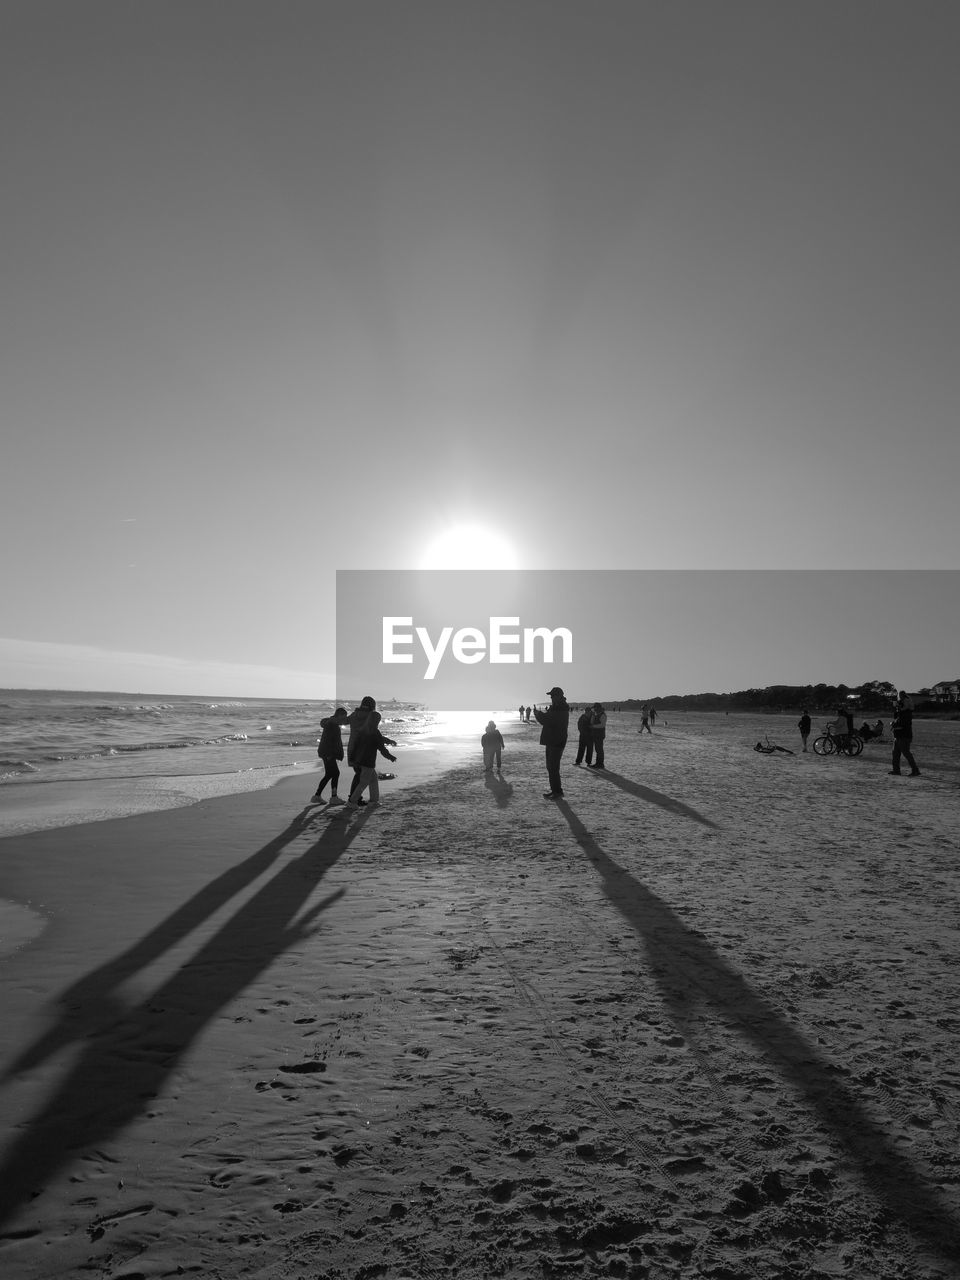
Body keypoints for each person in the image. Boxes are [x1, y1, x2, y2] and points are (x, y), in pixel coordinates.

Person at [346, 712, 397, 808]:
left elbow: (355, 745)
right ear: (377, 721)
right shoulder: (375, 732)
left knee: (373, 779)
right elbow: (381, 747)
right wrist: (390, 757)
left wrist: (353, 758)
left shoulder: (362, 730)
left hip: (360, 760)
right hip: (368, 761)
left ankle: (373, 801)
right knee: (363, 782)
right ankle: (352, 801)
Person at [534, 686, 569, 799]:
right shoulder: (557, 707)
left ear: (558, 696)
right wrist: (539, 714)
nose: (551, 698)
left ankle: (557, 791)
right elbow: (548, 720)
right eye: (551, 696)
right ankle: (555, 790)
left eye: (553, 696)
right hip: (552, 740)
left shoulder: (560, 708)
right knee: (551, 767)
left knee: (553, 767)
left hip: (556, 741)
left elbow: (548, 720)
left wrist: (538, 714)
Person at [310, 706, 348, 804]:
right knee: (335, 773)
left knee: (329, 774)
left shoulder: (331, 723)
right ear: (339, 715)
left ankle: (317, 796)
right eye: (343, 717)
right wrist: (330, 755)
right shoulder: (332, 725)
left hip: (325, 752)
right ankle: (333, 797)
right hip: (328, 753)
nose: (344, 720)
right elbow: (328, 741)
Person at [890, 692, 920, 777]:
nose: (898, 707)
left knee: (906, 754)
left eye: (899, 705)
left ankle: (915, 770)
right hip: (898, 736)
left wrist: (894, 724)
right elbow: (896, 719)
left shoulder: (906, 713)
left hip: (904, 736)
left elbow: (902, 724)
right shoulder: (901, 712)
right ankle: (896, 770)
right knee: (895, 754)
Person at [588, 702, 607, 769]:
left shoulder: (602, 715)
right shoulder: (596, 714)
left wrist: (593, 726)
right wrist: (593, 715)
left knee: (599, 750)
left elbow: (602, 725)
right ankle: (598, 763)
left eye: (595, 708)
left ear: (598, 708)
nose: (594, 709)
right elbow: (591, 722)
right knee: (597, 749)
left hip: (600, 734)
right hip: (595, 734)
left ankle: (600, 764)